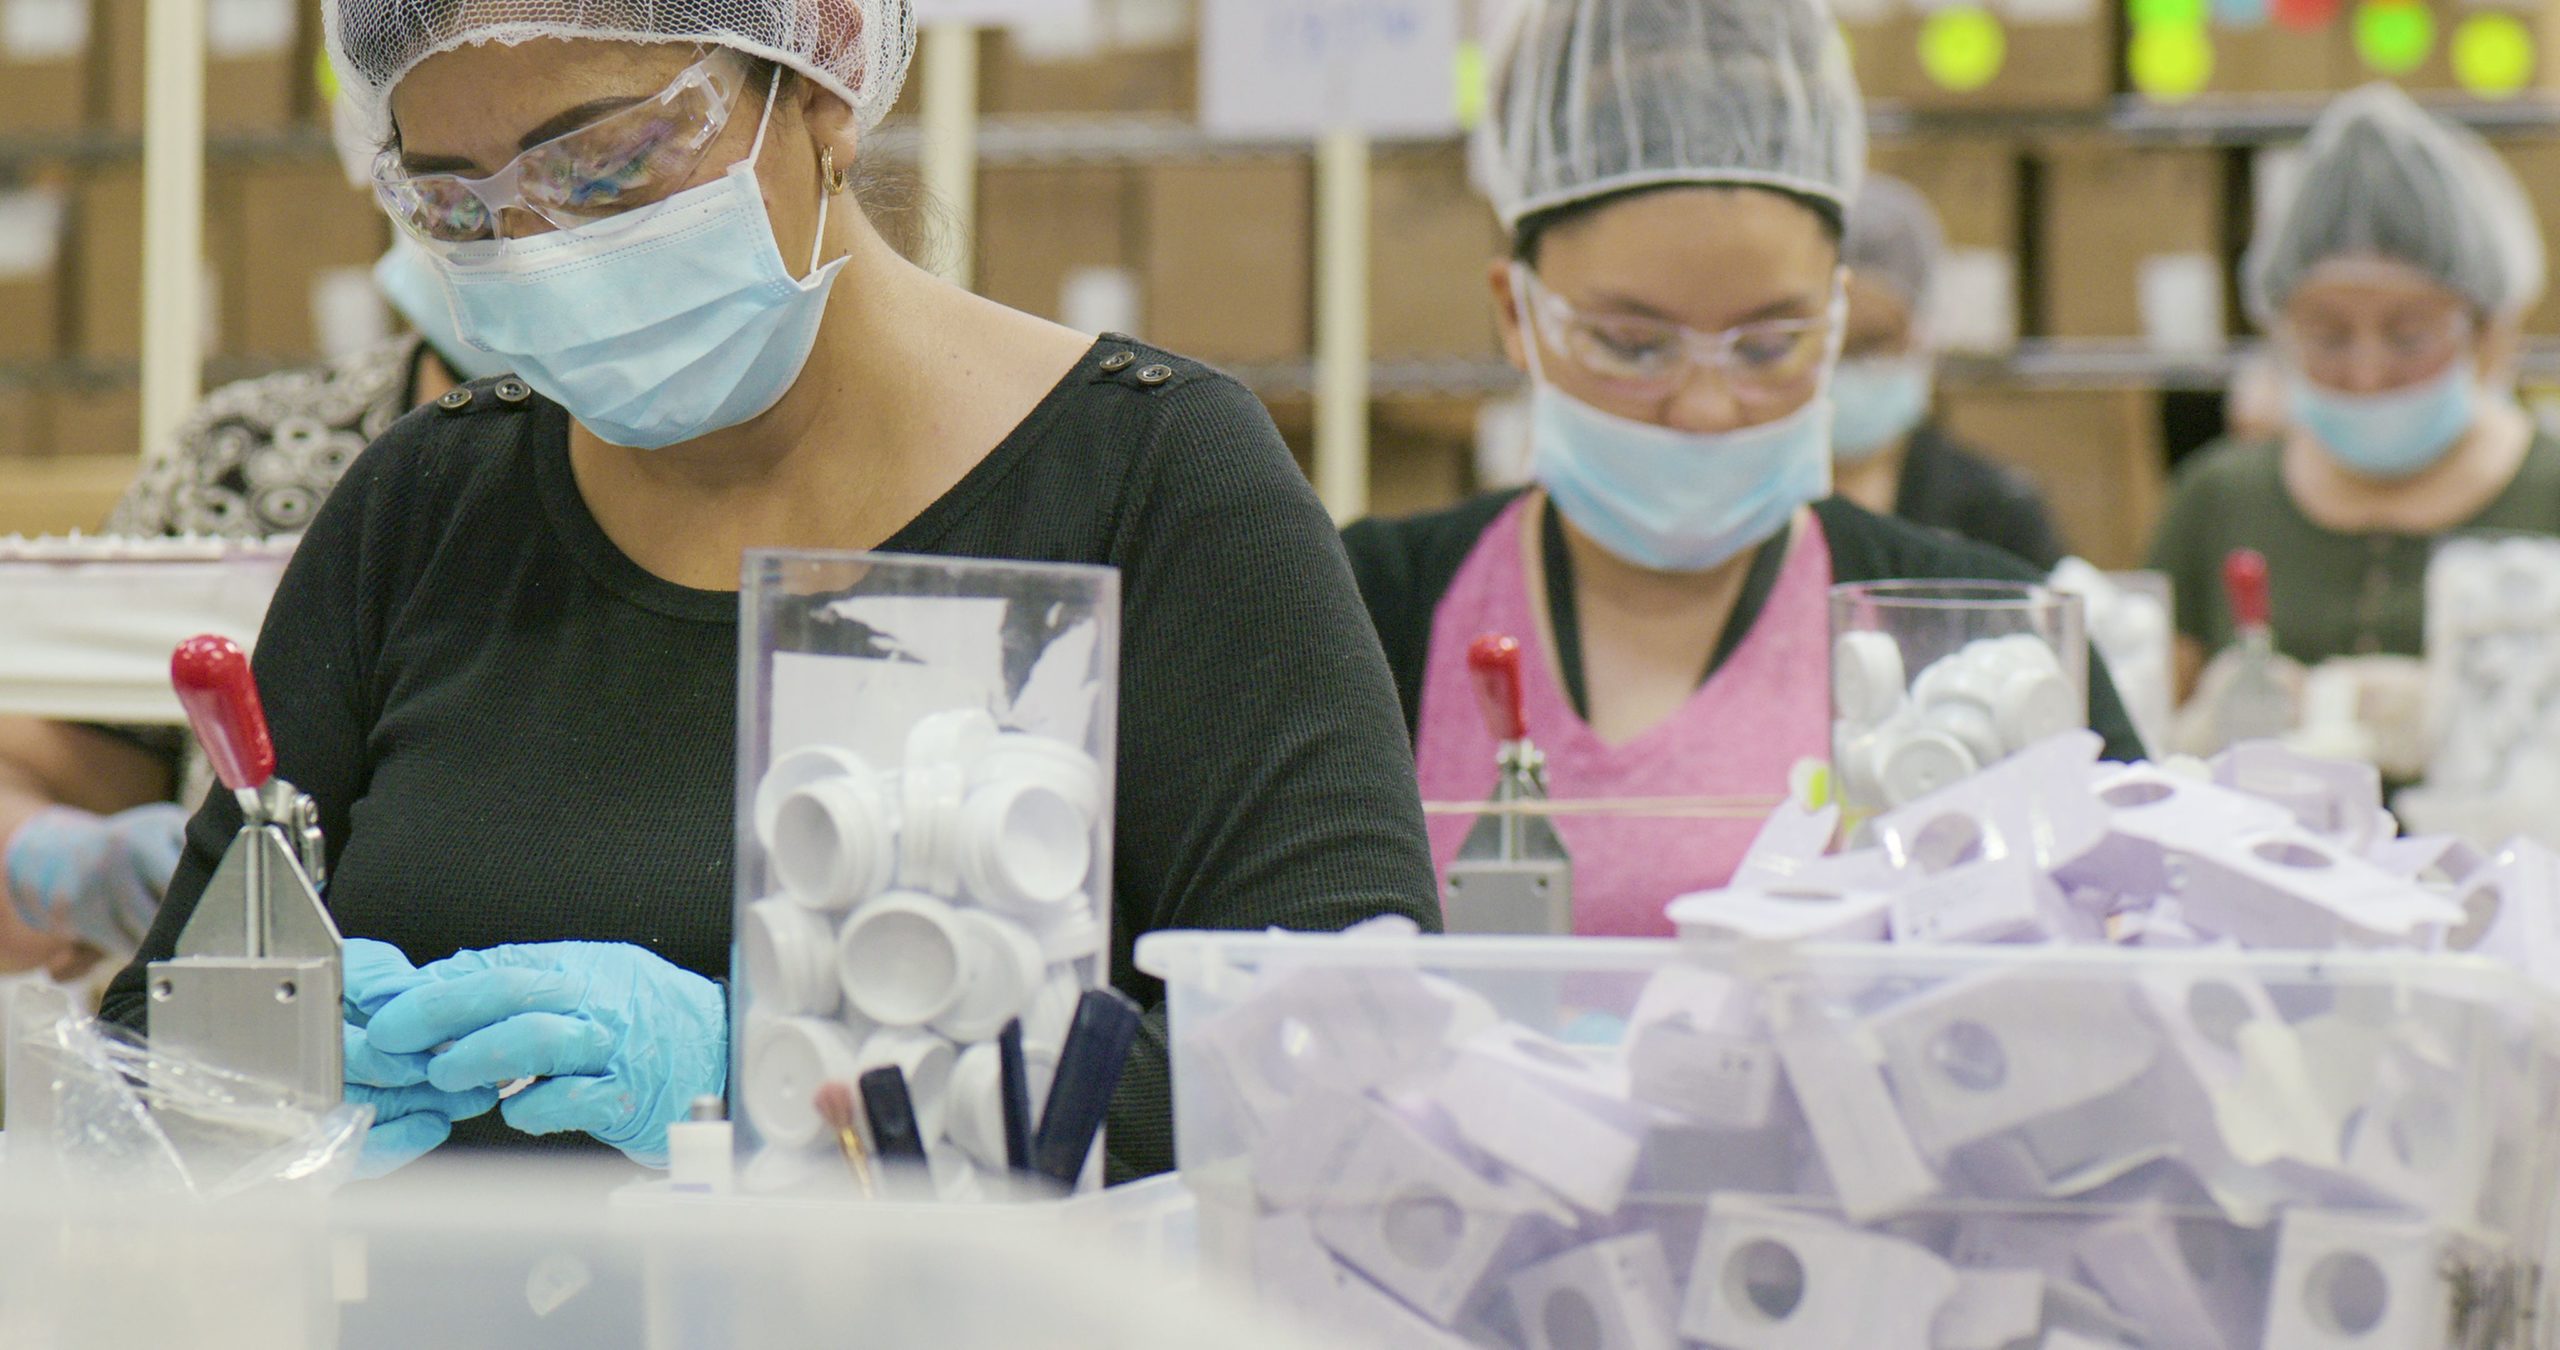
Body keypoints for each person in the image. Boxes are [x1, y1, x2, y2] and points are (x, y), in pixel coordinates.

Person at [103, 1, 1436, 1180]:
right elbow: (149, 1055)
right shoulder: (426, 507)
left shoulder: (1147, 484)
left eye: (607, 167)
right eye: (461, 207)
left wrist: (781, 1074)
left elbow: (1349, 1069)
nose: (542, 252)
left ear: (824, 75)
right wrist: (263, 1078)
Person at [1344, 0, 2142, 938]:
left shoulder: (1980, 641)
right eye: (1633, 345)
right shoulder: (1367, 615)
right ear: (1516, 312)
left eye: (1769, 346)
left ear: (1837, 315)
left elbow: (2140, 952)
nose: (1706, 407)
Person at [0, 237, 504, 983]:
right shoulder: (250, 459)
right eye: (458, 197)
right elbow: (38, 769)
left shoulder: (694, 473)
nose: (522, 220)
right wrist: (56, 860)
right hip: (247, 1031)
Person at [2150, 83, 2560, 719]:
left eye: (2409, 335)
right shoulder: (2218, 498)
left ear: (2486, 330)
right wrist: (2201, 729)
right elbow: (2142, 723)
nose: (2367, 374)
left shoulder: (2548, 492)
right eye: (2328, 335)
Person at [1832, 175, 2067, 570]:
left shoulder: (1995, 508)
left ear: (1923, 336)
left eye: (1872, 345)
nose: (1849, 370)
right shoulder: (1756, 514)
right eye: (1834, 349)